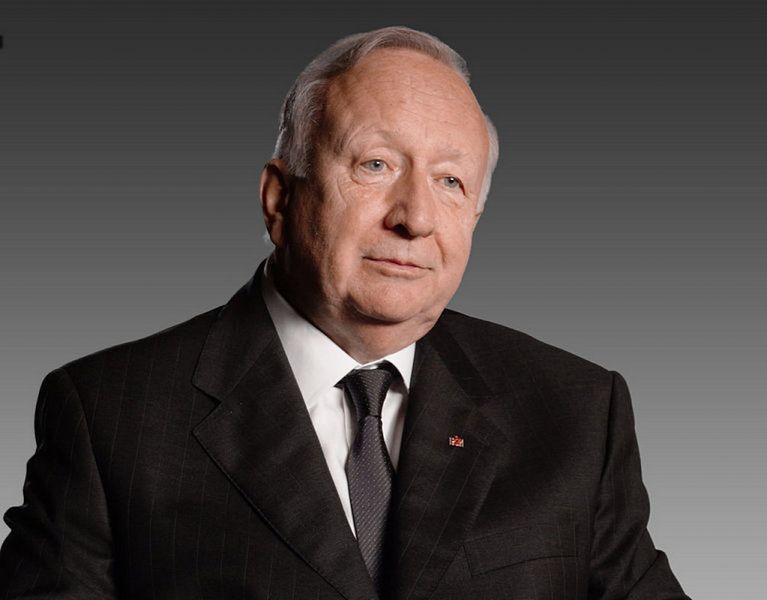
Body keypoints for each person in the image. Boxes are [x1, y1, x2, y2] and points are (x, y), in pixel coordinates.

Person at [0, 26, 690, 599]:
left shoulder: (574, 411)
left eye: (450, 181)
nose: (415, 218)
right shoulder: (110, 416)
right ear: (279, 199)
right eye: (375, 165)